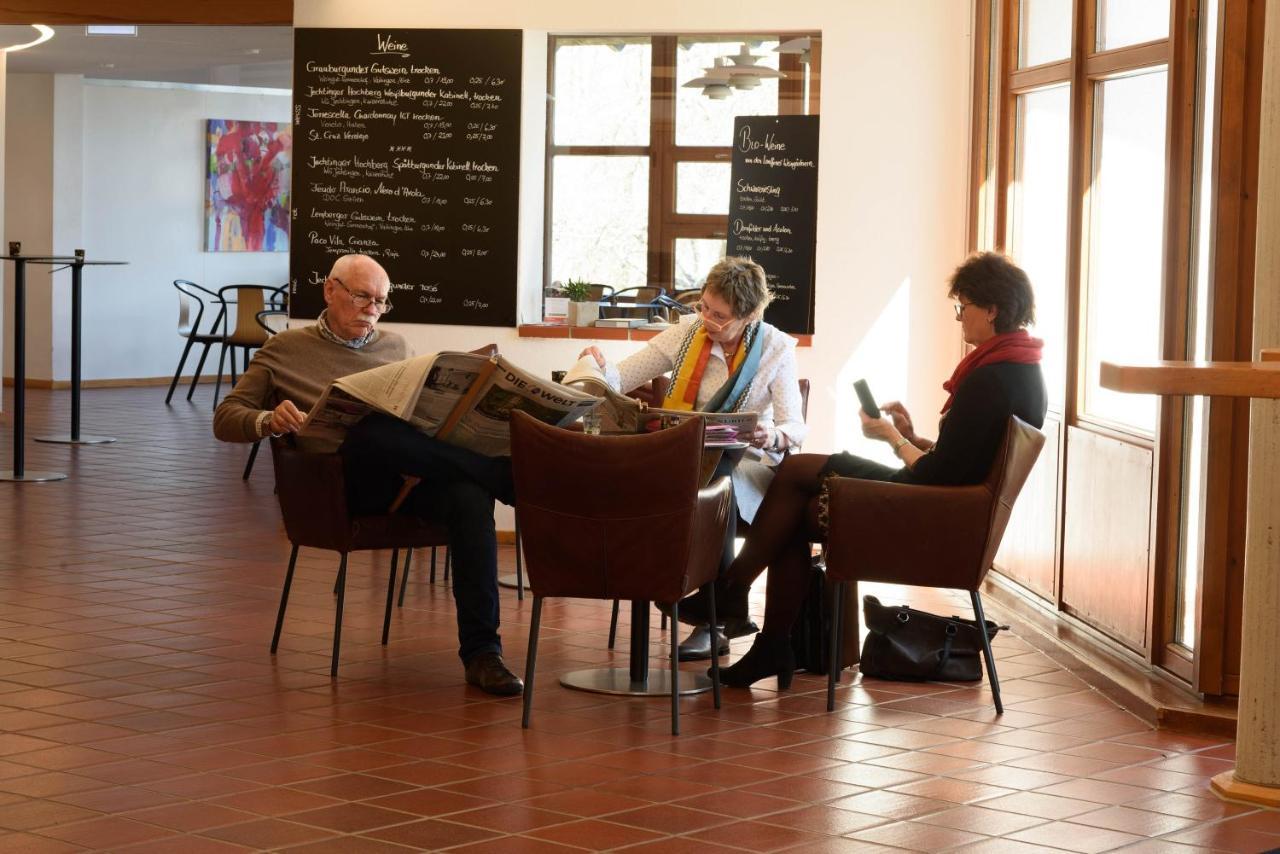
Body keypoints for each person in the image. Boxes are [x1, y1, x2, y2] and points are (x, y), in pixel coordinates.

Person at [684, 252, 1048, 689]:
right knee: (795, 513)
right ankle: (761, 631)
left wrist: (892, 439)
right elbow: (962, 461)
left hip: (930, 510)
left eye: (963, 306)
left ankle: (736, 595)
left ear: (992, 309)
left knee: (797, 474)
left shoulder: (991, 377)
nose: (959, 318)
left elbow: (936, 475)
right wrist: (911, 438)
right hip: (948, 505)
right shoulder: (1020, 369)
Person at [213, 253, 524, 696]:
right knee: (368, 430)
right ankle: (508, 480)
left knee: (469, 496)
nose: (371, 310)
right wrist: (268, 420)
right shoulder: (283, 349)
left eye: (381, 302)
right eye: (362, 297)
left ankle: (483, 654)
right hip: (339, 488)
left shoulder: (396, 347)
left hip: (409, 479)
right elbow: (225, 417)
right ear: (330, 290)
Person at [578, 256, 808, 661]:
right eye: (704, 307)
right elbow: (622, 379)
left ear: (749, 315)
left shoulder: (774, 347)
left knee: (718, 477)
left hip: (747, 466)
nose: (708, 321)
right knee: (694, 475)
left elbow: (795, 428)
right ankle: (714, 605)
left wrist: (769, 434)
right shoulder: (686, 332)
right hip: (681, 461)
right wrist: (599, 368)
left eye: (720, 316)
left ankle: (709, 617)